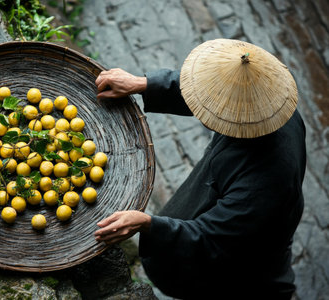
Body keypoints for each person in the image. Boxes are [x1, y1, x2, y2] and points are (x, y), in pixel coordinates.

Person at [93, 39, 306, 299]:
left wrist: (149, 224)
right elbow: (209, 92)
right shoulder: (272, 98)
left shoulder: (262, 185)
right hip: (243, 209)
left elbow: (209, 239)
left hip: (236, 254)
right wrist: (143, 84)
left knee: (249, 279)